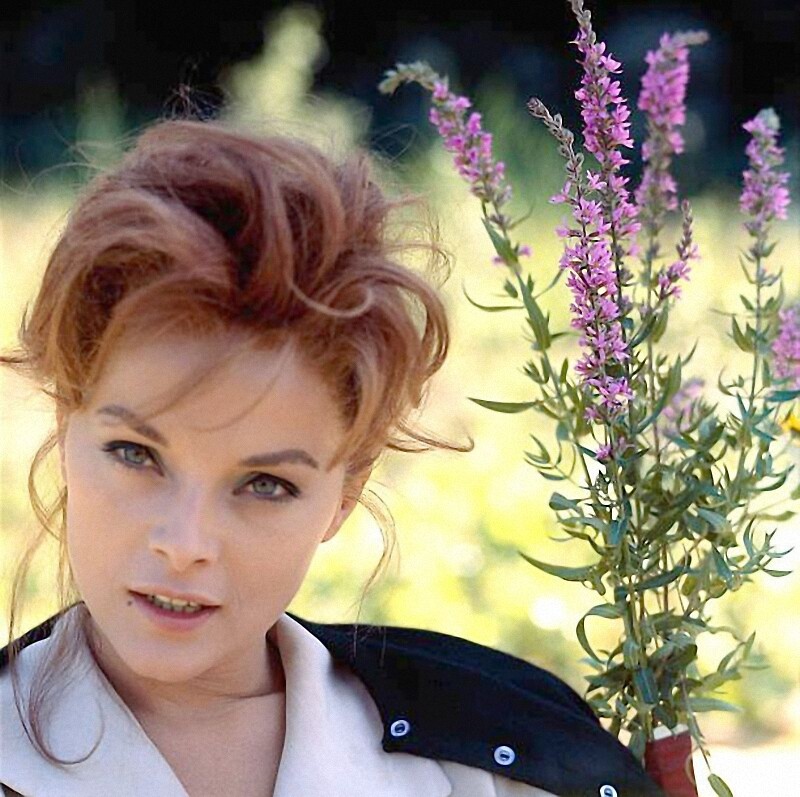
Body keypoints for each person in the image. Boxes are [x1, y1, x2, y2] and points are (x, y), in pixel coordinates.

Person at [0, 116, 663, 797]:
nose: (184, 543)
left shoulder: (499, 760)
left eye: (265, 484)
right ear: (65, 425)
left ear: (345, 492)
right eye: (135, 453)